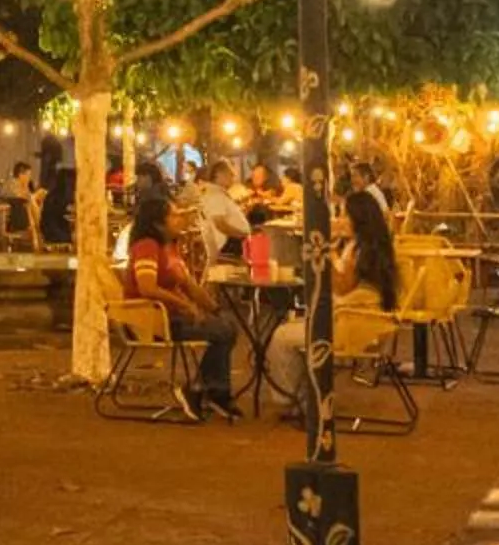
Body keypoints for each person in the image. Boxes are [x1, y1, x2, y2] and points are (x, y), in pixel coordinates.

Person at [264, 184, 406, 407]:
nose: (341, 219)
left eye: (344, 214)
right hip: (357, 320)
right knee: (291, 331)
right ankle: (302, 397)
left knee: (281, 337)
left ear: (357, 218)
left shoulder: (360, 250)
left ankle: (289, 399)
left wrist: (326, 251)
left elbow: (342, 287)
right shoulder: (371, 246)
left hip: (348, 325)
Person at [121, 195, 244, 419]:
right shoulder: (147, 246)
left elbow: (190, 286)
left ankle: (210, 390)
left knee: (227, 327)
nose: (180, 219)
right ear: (158, 223)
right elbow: (147, 287)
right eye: (174, 215)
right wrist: (186, 306)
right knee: (221, 331)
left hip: (175, 317)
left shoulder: (172, 247)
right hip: (154, 321)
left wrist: (215, 309)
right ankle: (205, 391)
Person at [190, 159, 254, 264]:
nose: (233, 178)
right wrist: (242, 234)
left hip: (230, 242)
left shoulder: (217, 193)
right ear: (219, 175)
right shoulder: (215, 195)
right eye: (230, 174)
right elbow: (219, 223)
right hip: (227, 245)